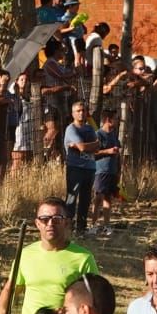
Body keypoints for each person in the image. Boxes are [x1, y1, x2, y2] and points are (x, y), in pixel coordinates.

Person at [0, 196, 99, 314]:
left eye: (57, 219)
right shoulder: (25, 255)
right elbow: (10, 289)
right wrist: (2, 310)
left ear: (67, 223)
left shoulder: (83, 258)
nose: (50, 224)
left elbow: (96, 299)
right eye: (44, 219)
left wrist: (71, 310)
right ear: (37, 223)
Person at [61, 100, 99, 234]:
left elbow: (98, 146)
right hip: (75, 167)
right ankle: (68, 227)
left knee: (86, 199)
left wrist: (81, 146)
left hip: (89, 167)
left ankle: (81, 228)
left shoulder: (89, 128)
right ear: (73, 114)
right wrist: (86, 146)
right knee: (72, 198)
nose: (81, 113)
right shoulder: (71, 129)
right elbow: (84, 147)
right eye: (78, 111)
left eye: (83, 110)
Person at [90, 106, 123, 235]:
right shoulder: (98, 135)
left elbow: (118, 155)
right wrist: (107, 151)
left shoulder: (114, 136)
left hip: (112, 171)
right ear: (108, 120)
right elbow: (93, 153)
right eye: (115, 118)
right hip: (100, 171)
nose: (117, 121)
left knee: (108, 198)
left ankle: (106, 225)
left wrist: (119, 170)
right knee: (98, 198)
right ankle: (93, 225)